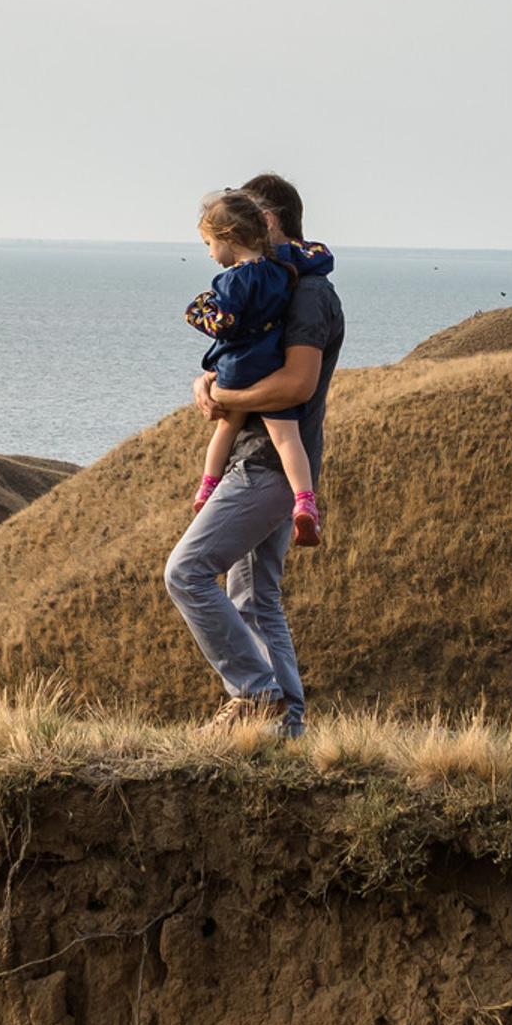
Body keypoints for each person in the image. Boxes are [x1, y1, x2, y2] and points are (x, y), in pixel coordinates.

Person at [163, 172, 345, 738]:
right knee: (255, 597)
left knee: (186, 572)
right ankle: (286, 731)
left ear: (266, 221)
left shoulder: (308, 292)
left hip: (268, 465)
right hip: (261, 460)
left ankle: (253, 693)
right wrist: (209, 378)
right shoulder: (279, 282)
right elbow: (245, 348)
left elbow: (295, 385)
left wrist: (224, 394)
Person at [183, 185, 333, 545]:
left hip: (240, 370)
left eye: (209, 244)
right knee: (287, 439)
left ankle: (207, 487)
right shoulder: (284, 271)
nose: (210, 253)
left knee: (187, 572)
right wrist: (204, 382)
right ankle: (305, 501)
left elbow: (224, 322)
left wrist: (197, 312)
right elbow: (313, 256)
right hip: (269, 359)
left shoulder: (232, 279)